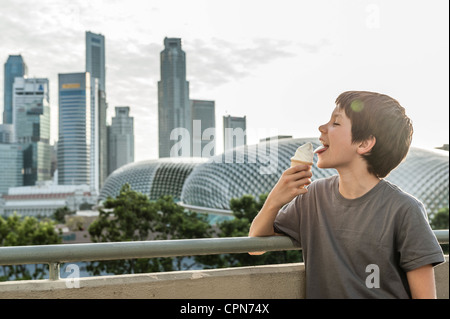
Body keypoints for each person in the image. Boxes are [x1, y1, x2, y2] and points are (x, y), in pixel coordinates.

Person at [248, 91, 445, 299]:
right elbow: (256, 246)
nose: (322, 128)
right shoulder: (313, 196)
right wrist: (275, 200)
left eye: (336, 123)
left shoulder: (405, 209)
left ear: (364, 144)